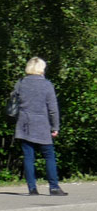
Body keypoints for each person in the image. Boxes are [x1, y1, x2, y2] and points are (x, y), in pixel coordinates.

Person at [11, 57, 66, 196]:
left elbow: (13, 101)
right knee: (49, 156)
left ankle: (32, 189)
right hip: (42, 125)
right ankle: (53, 187)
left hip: (24, 124)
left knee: (29, 157)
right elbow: (53, 109)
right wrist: (55, 127)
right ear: (42, 69)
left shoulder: (20, 83)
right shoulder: (47, 85)